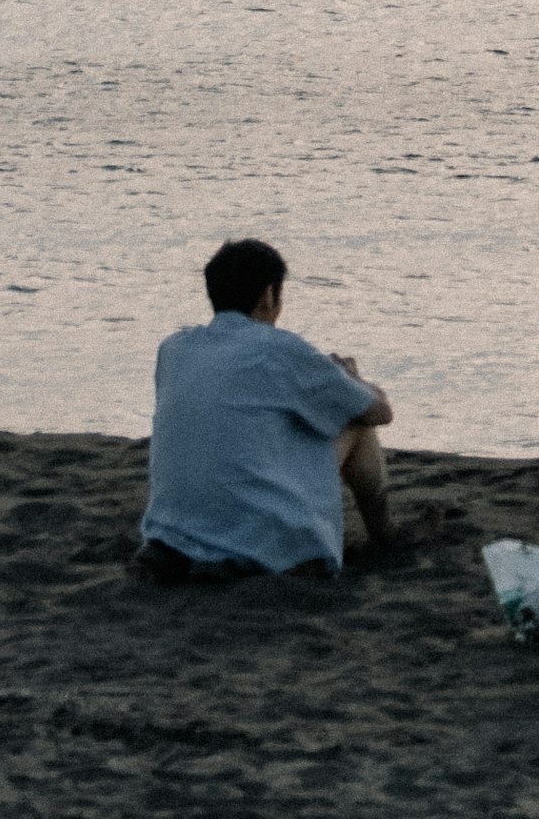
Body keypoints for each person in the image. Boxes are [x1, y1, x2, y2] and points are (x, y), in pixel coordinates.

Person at [135, 237, 400, 580]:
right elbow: (379, 411)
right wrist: (350, 377)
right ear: (268, 296)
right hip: (265, 543)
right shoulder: (283, 351)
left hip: (172, 531)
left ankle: (188, 547)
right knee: (357, 426)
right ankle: (386, 536)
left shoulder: (173, 349)